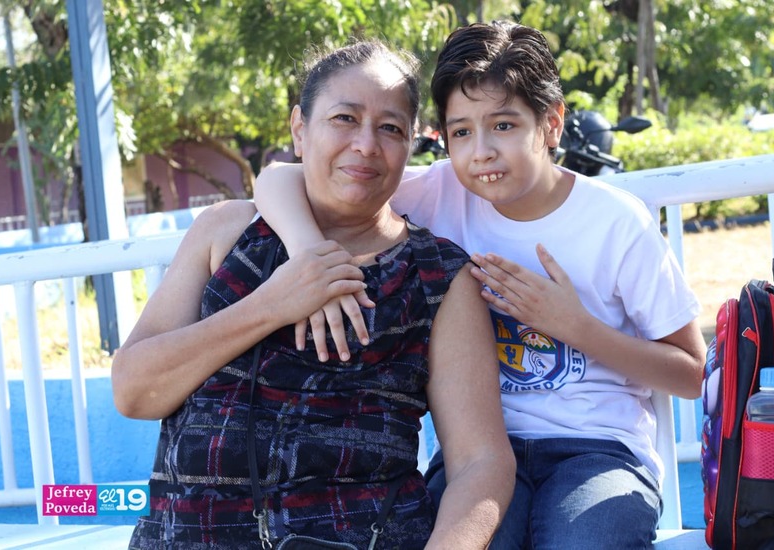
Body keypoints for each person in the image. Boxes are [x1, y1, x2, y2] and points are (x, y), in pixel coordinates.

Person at [252, 21, 708, 549]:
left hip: (597, 450)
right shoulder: (441, 193)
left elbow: (692, 373)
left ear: (552, 123)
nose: (481, 152)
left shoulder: (615, 223)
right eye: (461, 132)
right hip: (477, 453)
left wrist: (574, 326)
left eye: (504, 125)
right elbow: (281, 177)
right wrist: (308, 252)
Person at [111, 39, 514, 549]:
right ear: (300, 129)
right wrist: (273, 303)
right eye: (345, 118)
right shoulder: (227, 233)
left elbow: (481, 461)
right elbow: (133, 391)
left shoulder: (438, 276)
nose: (366, 145)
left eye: (390, 128)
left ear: (411, 144)